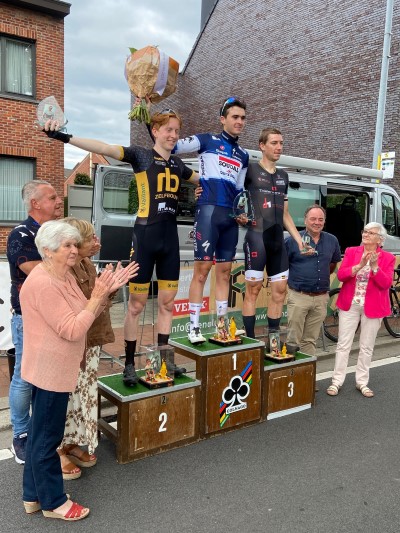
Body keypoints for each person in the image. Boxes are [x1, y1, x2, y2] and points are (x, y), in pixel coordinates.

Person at [43, 110, 198, 387]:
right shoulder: (141, 155)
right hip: (145, 237)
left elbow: (205, 181)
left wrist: (207, 190)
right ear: (155, 131)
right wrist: (64, 137)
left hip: (170, 240)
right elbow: (103, 148)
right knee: (136, 305)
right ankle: (129, 364)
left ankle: (164, 359)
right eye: (168, 130)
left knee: (167, 303)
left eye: (177, 131)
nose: (173, 135)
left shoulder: (177, 163)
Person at [20, 220, 138, 521]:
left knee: (40, 437)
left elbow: (85, 313)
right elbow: (73, 329)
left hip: (56, 368)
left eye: (75, 244)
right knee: (47, 440)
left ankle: (33, 496)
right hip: (50, 371)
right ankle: (53, 502)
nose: (74, 250)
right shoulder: (44, 282)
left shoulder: (62, 276)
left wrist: (106, 291)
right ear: (48, 250)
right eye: (67, 245)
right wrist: (97, 296)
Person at [171, 96, 249, 344]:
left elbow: (239, 189)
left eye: (243, 118)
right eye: (234, 117)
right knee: (202, 272)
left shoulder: (244, 155)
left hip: (230, 218)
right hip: (208, 213)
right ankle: (194, 327)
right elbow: (170, 146)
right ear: (222, 119)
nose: (239, 121)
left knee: (225, 273)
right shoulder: (206, 140)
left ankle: (221, 326)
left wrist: (242, 212)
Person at [6, 180, 63, 464]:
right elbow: (34, 268)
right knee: (24, 376)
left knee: (46, 377)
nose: (59, 200)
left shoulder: (57, 233)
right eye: (52, 197)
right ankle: (21, 434)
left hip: (56, 316)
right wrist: (69, 258)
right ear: (35, 203)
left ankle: (40, 430)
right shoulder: (21, 233)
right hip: (29, 317)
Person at [57, 217, 115, 480]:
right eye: (91, 237)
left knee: (83, 395)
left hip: (91, 339)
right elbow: (82, 308)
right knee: (68, 397)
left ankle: (71, 443)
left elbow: (97, 303)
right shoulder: (64, 270)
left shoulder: (86, 263)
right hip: (76, 341)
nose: (96, 241)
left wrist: (109, 288)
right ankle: (57, 450)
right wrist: (104, 291)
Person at [241, 128, 305, 340]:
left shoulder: (283, 176)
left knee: (279, 291)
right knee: (253, 290)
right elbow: (233, 195)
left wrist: (299, 241)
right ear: (262, 146)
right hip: (256, 238)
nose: (279, 147)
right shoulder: (250, 170)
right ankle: (251, 340)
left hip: (278, 240)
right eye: (274, 143)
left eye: (281, 143)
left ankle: (274, 341)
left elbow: (285, 214)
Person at [326, 222, 395, 398]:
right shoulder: (352, 251)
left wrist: (374, 267)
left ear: (380, 239)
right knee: (343, 344)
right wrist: (359, 265)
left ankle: (362, 382)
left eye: (371, 233)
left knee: (366, 346)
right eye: (365, 231)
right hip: (350, 304)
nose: (365, 234)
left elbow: (386, 284)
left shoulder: (387, 258)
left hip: (373, 306)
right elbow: (341, 275)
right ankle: (336, 381)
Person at [285, 205, 341, 355]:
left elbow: (333, 263)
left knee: (310, 340)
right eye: (313, 219)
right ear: (305, 220)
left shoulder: (332, 240)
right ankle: (291, 367)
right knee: (293, 340)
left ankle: (306, 369)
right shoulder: (292, 241)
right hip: (299, 296)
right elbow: (283, 265)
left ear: (324, 221)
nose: (317, 222)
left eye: (320, 219)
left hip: (321, 298)